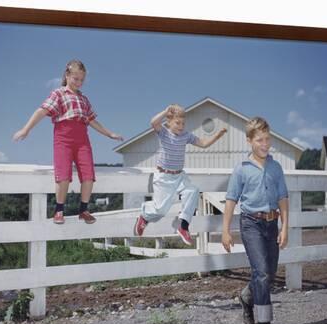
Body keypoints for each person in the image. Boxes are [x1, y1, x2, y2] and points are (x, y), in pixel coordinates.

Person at [13, 60, 123, 224]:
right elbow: (41, 111)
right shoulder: (58, 94)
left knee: (88, 176)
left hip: (82, 140)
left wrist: (110, 134)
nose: (78, 82)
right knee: (63, 175)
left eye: (81, 80)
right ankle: (59, 210)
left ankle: (83, 209)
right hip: (63, 138)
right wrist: (26, 129)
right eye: (75, 78)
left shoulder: (84, 99)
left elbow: (92, 121)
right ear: (67, 76)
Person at [221, 116, 289, 324]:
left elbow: (283, 198)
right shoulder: (241, 169)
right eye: (260, 140)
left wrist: (285, 227)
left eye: (267, 139)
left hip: (272, 223)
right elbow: (231, 199)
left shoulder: (276, 167)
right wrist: (225, 230)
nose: (265, 144)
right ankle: (265, 322)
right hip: (250, 223)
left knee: (268, 275)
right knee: (260, 272)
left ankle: (246, 297)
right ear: (249, 140)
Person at [134, 104, 227, 245]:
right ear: (168, 122)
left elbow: (203, 143)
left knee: (193, 191)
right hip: (164, 176)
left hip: (179, 176)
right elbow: (153, 122)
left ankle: (183, 226)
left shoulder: (186, 136)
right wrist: (165, 111)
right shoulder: (164, 132)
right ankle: (144, 216)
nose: (181, 126)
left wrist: (217, 136)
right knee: (160, 210)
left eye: (183, 123)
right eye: (177, 123)